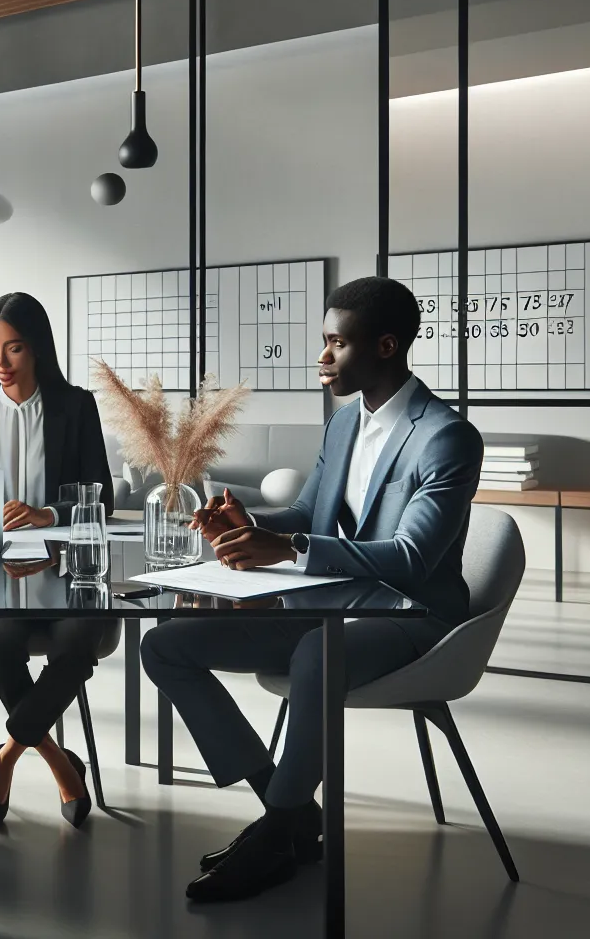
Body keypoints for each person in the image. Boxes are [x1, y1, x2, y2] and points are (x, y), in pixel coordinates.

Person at [140, 276, 483, 903]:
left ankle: (275, 833)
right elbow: (307, 518)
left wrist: (293, 549)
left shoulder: (446, 436)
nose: (322, 357)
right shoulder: (344, 424)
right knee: (166, 646)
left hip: (412, 618)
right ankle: (292, 812)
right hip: (328, 607)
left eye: (336, 343)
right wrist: (249, 522)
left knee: (314, 655)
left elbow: (412, 558)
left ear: (385, 346)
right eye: (323, 341)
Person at [0, 292, 114, 830]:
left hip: (68, 570)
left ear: (37, 349)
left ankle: (6, 758)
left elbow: (101, 497)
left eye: (13, 349)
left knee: (76, 643)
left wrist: (46, 513)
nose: (1, 362)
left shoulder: (75, 406)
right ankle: (62, 765)